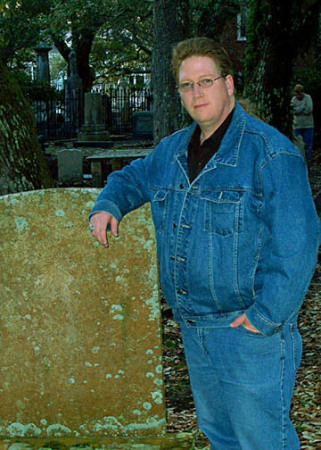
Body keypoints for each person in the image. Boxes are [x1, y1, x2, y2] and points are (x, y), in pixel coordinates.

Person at [88, 37, 320, 449]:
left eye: (206, 81)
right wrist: (108, 205)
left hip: (248, 334)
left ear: (229, 84)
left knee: (263, 442)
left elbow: (297, 245)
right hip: (194, 329)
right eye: (186, 85)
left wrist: (263, 319)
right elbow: (132, 178)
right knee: (222, 439)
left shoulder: (270, 155)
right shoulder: (173, 150)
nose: (196, 93)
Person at [290, 83, 314, 163]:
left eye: (300, 92)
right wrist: (302, 107)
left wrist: (298, 109)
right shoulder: (293, 100)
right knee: (297, 146)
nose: (298, 95)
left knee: (308, 146)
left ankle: (308, 162)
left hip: (308, 125)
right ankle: (298, 162)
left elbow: (309, 109)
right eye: (297, 92)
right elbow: (292, 110)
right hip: (297, 126)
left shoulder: (308, 98)